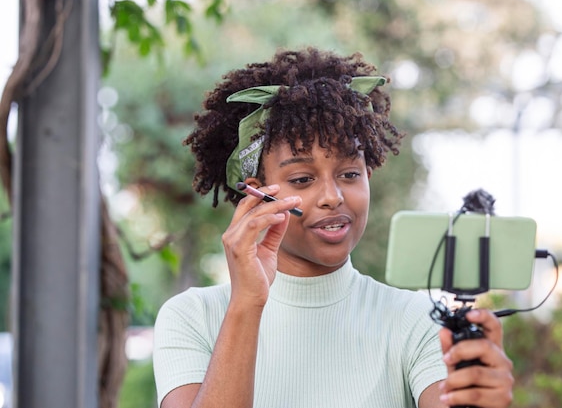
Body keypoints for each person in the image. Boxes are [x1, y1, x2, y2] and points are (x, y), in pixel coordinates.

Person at [152, 47, 514, 408]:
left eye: (349, 174)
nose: (332, 196)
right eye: (302, 178)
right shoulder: (192, 317)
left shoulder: (415, 320)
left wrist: (482, 399)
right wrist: (246, 303)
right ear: (257, 193)